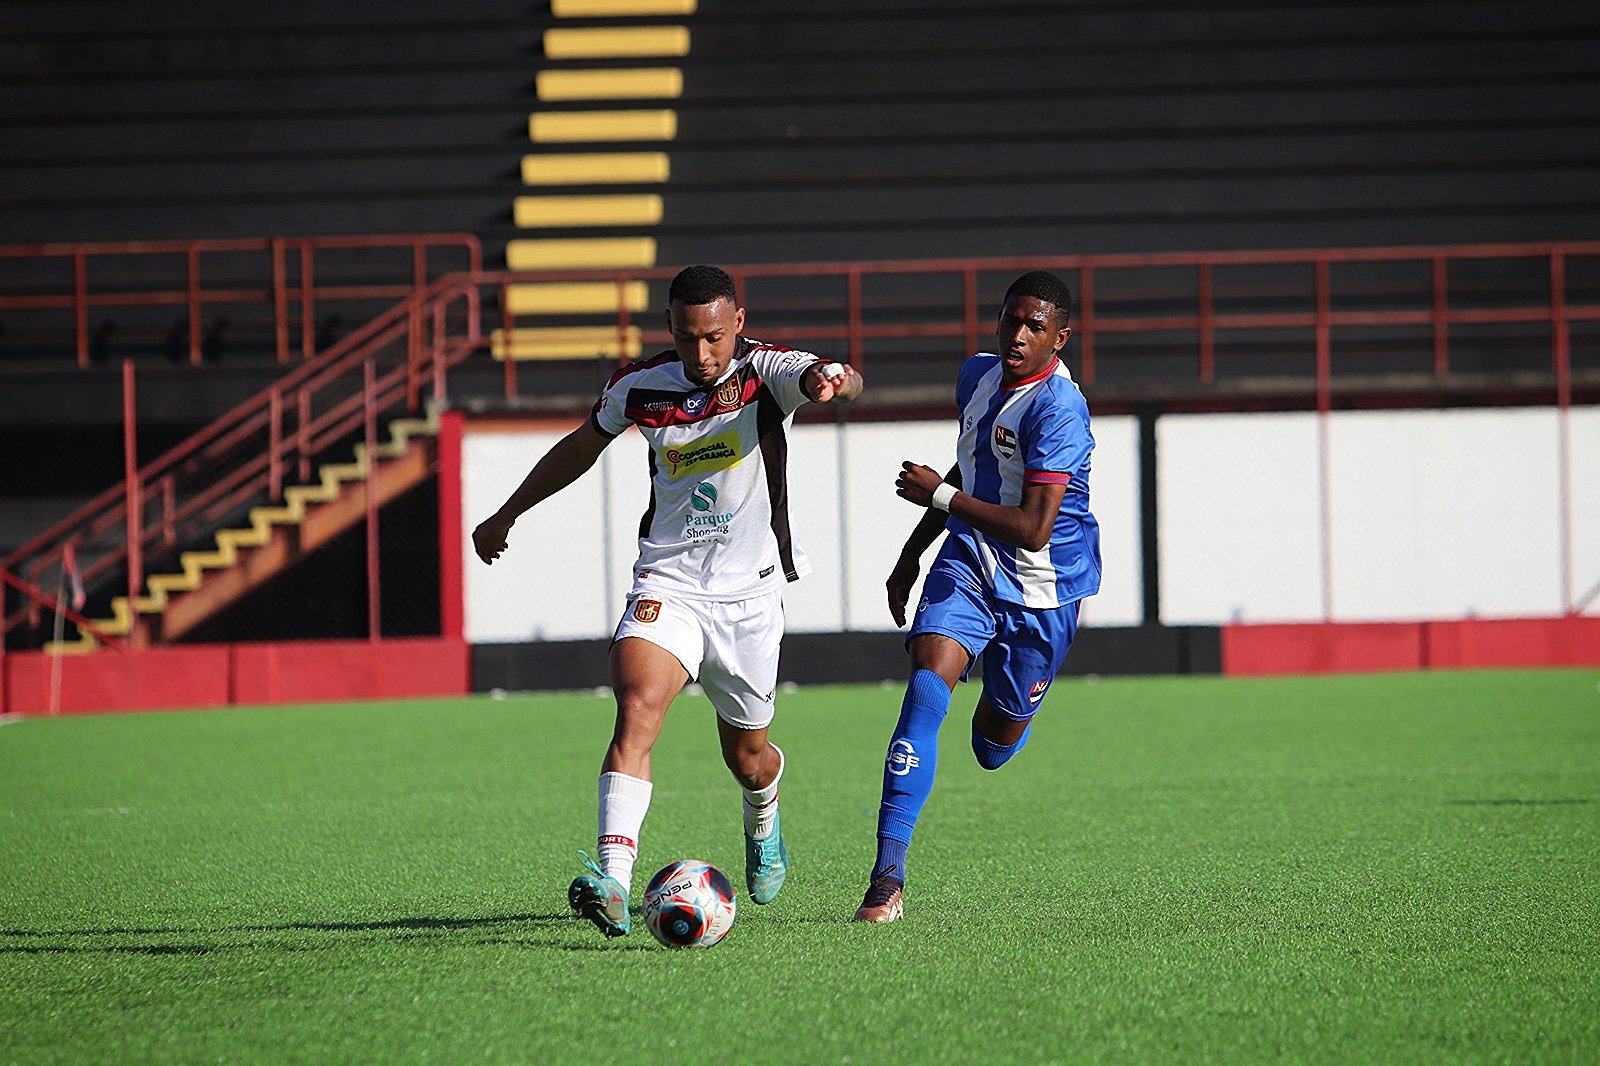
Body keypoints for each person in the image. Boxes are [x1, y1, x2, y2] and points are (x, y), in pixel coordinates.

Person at [473, 264, 864, 939]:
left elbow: (827, 374)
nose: (703, 354)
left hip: (750, 596)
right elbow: (579, 447)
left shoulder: (764, 372)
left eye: (714, 337)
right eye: (688, 339)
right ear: (671, 331)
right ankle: (613, 884)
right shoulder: (640, 386)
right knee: (637, 708)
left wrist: (835, 379)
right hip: (669, 583)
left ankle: (763, 815)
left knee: (748, 755)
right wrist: (506, 514)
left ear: (737, 323)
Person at [853, 270, 1100, 923]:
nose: (1018, 336)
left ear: (1059, 337)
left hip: (1044, 588)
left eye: (1035, 327)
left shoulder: (1059, 411)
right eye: (1010, 321)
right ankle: (887, 878)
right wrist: (914, 552)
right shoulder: (978, 376)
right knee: (927, 690)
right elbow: (972, 462)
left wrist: (939, 496)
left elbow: (1033, 527)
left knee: (992, 748)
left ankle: (1009, 702)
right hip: (969, 560)